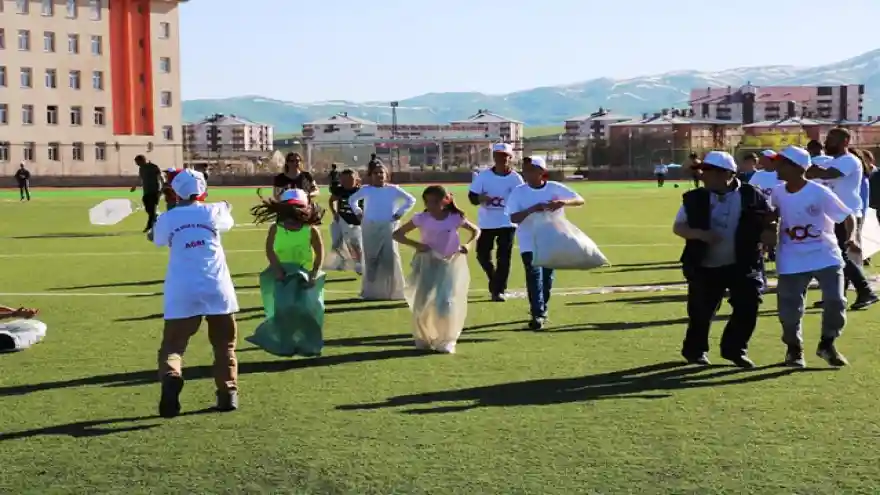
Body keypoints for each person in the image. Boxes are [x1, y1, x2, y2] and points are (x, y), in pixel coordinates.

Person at [150, 169, 240, 418]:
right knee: (224, 345)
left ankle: (171, 376)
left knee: (172, 346)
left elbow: (157, 239)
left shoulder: (168, 217)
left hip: (182, 289)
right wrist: (225, 206)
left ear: (175, 192)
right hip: (217, 287)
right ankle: (228, 394)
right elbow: (227, 220)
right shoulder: (214, 210)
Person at [673, 151, 773, 368]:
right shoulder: (695, 198)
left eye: (708, 171)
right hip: (704, 264)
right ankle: (695, 351)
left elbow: (769, 220)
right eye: (703, 171)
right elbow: (679, 227)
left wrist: (768, 233)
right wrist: (701, 235)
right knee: (701, 311)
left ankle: (735, 350)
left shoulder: (751, 195)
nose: (703, 175)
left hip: (744, 262)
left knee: (749, 303)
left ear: (727, 174)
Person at [769, 145, 854, 367]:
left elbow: (847, 216)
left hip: (825, 254)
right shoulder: (777, 192)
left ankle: (827, 344)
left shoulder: (819, 191)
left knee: (835, 301)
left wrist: (850, 239)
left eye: (781, 163)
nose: (777, 167)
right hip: (791, 256)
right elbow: (770, 216)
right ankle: (794, 349)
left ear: (797, 168)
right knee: (789, 310)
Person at [393, 185, 480, 353]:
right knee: (423, 302)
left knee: (445, 302)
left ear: (445, 201)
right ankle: (423, 337)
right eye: (427, 202)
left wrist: (468, 245)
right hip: (427, 263)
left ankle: (446, 340)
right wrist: (417, 245)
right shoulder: (421, 218)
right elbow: (397, 234)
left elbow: (476, 231)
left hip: (449, 264)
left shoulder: (455, 218)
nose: (430, 205)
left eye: (434, 202)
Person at [505, 157, 584, 330]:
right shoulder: (519, 192)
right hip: (529, 241)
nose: (527, 173)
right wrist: (532, 209)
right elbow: (513, 218)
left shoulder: (554, 187)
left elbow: (579, 199)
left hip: (551, 239)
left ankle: (542, 308)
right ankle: (537, 314)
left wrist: (563, 202)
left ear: (541, 172)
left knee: (547, 277)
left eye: (531, 169)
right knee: (533, 275)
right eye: (525, 169)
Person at [248, 189, 326, 357]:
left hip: (305, 276)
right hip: (282, 275)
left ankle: (309, 343)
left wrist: (314, 273)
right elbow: (269, 250)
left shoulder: (310, 230)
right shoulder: (276, 229)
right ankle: (285, 342)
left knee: (307, 310)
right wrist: (277, 269)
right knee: (284, 309)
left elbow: (320, 253)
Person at [806, 128, 878, 310]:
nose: (827, 142)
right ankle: (837, 295)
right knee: (834, 256)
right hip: (832, 215)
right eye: (827, 138)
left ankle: (866, 291)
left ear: (845, 141)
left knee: (840, 255)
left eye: (832, 139)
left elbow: (828, 174)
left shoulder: (849, 160)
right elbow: (812, 174)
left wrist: (814, 170)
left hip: (847, 214)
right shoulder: (832, 161)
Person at [348, 164, 417, 300]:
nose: (379, 175)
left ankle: (395, 291)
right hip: (370, 226)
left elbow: (411, 200)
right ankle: (371, 292)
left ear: (386, 175)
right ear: (371, 175)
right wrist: (358, 212)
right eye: (375, 173)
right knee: (371, 258)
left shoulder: (393, 189)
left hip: (389, 226)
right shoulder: (366, 190)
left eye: (381, 172)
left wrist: (399, 213)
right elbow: (352, 200)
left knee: (390, 257)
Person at [468, 143, 524, 301]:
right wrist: (481, 198)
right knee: (482, 256)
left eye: (505, 156)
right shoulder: (484, 176)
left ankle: (498, 290)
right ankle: (494, 280)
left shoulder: (516, 178)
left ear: (510, 158)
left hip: (507, 222)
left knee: (503, 257)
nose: (501, 159)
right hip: (487, 222)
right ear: (493, 157)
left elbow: (522, 197)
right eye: (498, 155)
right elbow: (472, 197)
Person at [328, 169, 364, 272]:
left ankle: (359, 264)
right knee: (336, 244)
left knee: (355, 244)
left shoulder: (361, 191)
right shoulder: (340, 190)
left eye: (350, 179)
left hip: (355, 223)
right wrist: (334, 212)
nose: (346, 182)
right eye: (344, 180)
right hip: (341, 220)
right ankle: (343, 261)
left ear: (357, 180)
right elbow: (331, 200)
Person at [131, 155, 163, 232]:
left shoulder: (153, 167)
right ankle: (159, 219)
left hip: (155, 191)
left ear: (142, 160)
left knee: (152, 210)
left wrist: (162, 187)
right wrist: (135, 186)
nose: (136, 164)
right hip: (146, 191)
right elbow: (140, 177)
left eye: (137, 162)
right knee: (148, 209)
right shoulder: (141, 168)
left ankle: (149, 227)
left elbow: (160, 177)